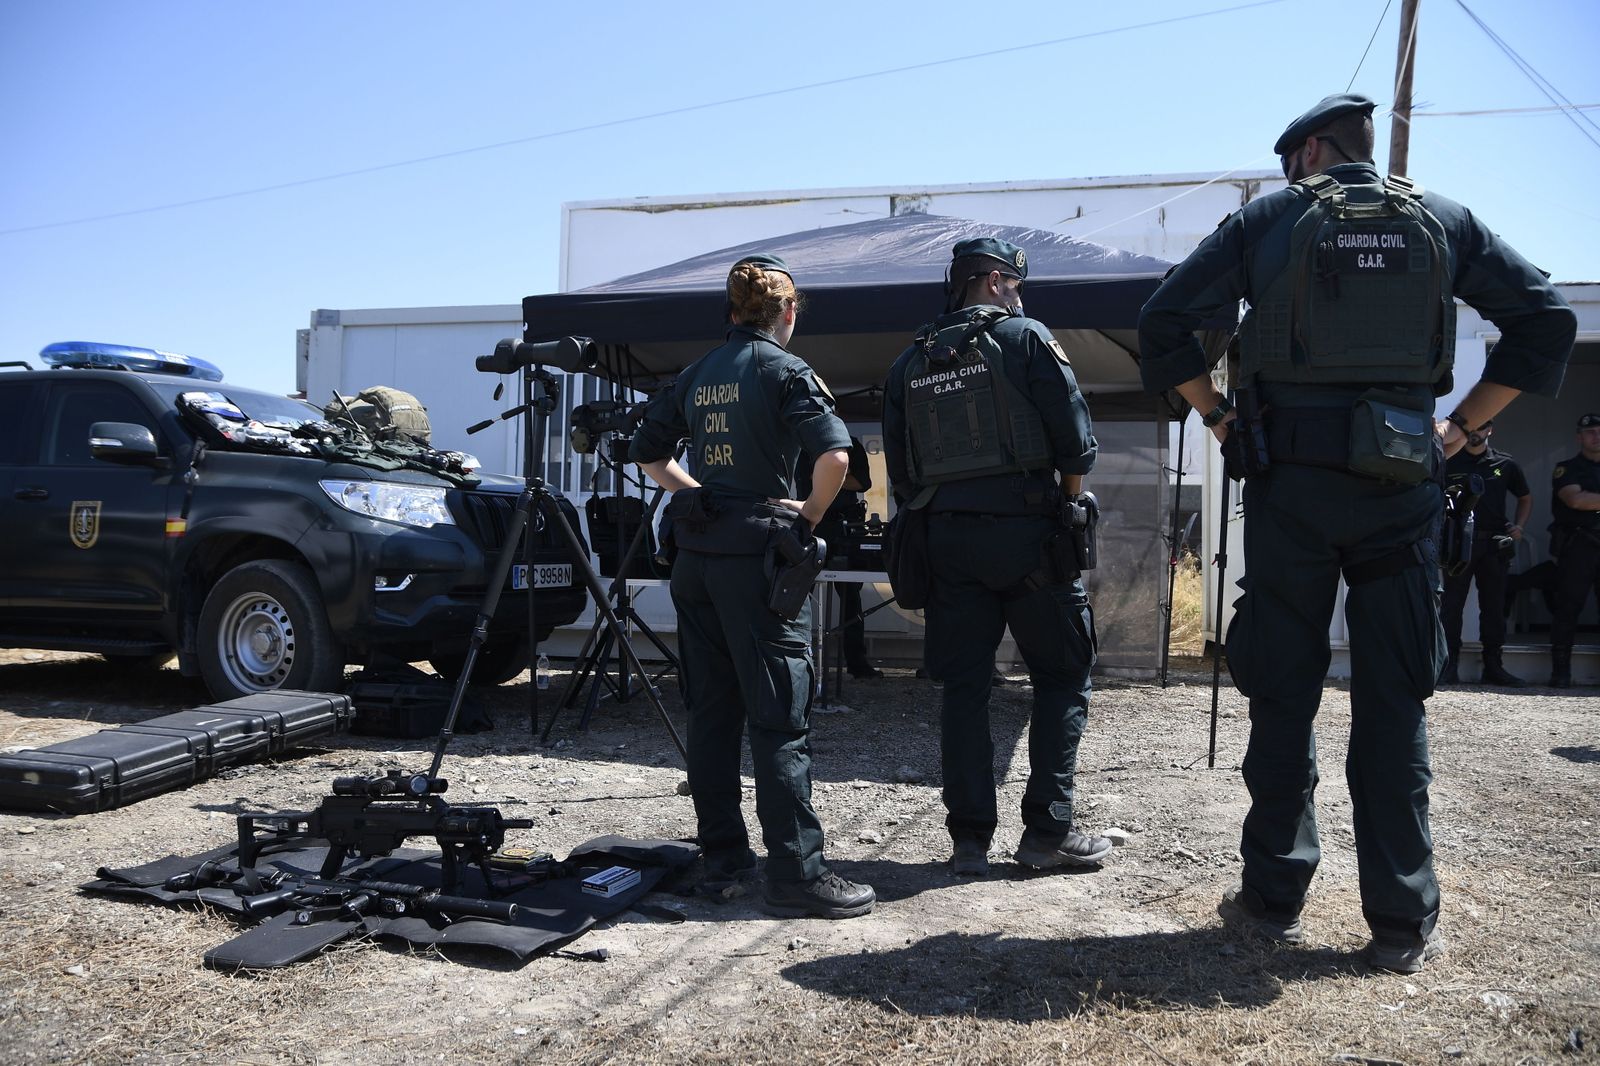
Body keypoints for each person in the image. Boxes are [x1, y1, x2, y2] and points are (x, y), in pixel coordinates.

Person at [1138, 93, 1575, 973]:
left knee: (1284, 691)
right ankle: (1401, 922)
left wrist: (1220, 419)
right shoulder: (1442, 219)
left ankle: (1272, 895)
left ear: (1308, 150)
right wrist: (1460, 432)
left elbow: (1163, 324)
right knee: (1392, 700)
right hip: (1401, 487)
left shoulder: (1268, 218)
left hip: (1290, 490)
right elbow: (1546, 318)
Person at [629, 254, 875, 919]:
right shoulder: (784, 370)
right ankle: (795, 873)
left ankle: (721, 861)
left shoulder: (697, 373)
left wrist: (702, 492)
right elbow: (835, 458)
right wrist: (809, 513)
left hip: (697, 556)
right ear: (786, 312)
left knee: (711, 714)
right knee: (778, 718)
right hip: (754, 565)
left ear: (732, 311)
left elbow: (650, 455)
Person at [883, 236, 1108, 879]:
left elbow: (900, 469)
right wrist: (1069, 504)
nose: (1020, 294)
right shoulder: (1027, 337)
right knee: (1062, 676)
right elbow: (1075, 440)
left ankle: (969, 842)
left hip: (947, 543)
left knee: (964, 690)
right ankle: (1045, 834)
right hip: (1031, 534)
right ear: (993, 281)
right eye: (1015, 282)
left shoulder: (909, 362)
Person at [1439, 420, 1533, 686]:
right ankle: (1449, 666)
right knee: (1451, 606)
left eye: (1482, 427)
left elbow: (1525, 497)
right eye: (1472, 428)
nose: (1476, 432)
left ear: (1490, 429)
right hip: (1459, 543)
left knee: (1493, 607)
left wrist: (1519, 527)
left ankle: (1494, 666)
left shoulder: (1505, 464)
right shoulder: (1450, 461)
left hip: (1493, 544)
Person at [1547, 412, 1600, 687]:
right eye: (1590, 432)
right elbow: (1576, 500)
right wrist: (1588, 500)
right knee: (1568, 607)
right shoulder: (1567, 468)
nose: (1596, 436)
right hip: (1578, 545)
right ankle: (1561, 672)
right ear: (1580, 436)